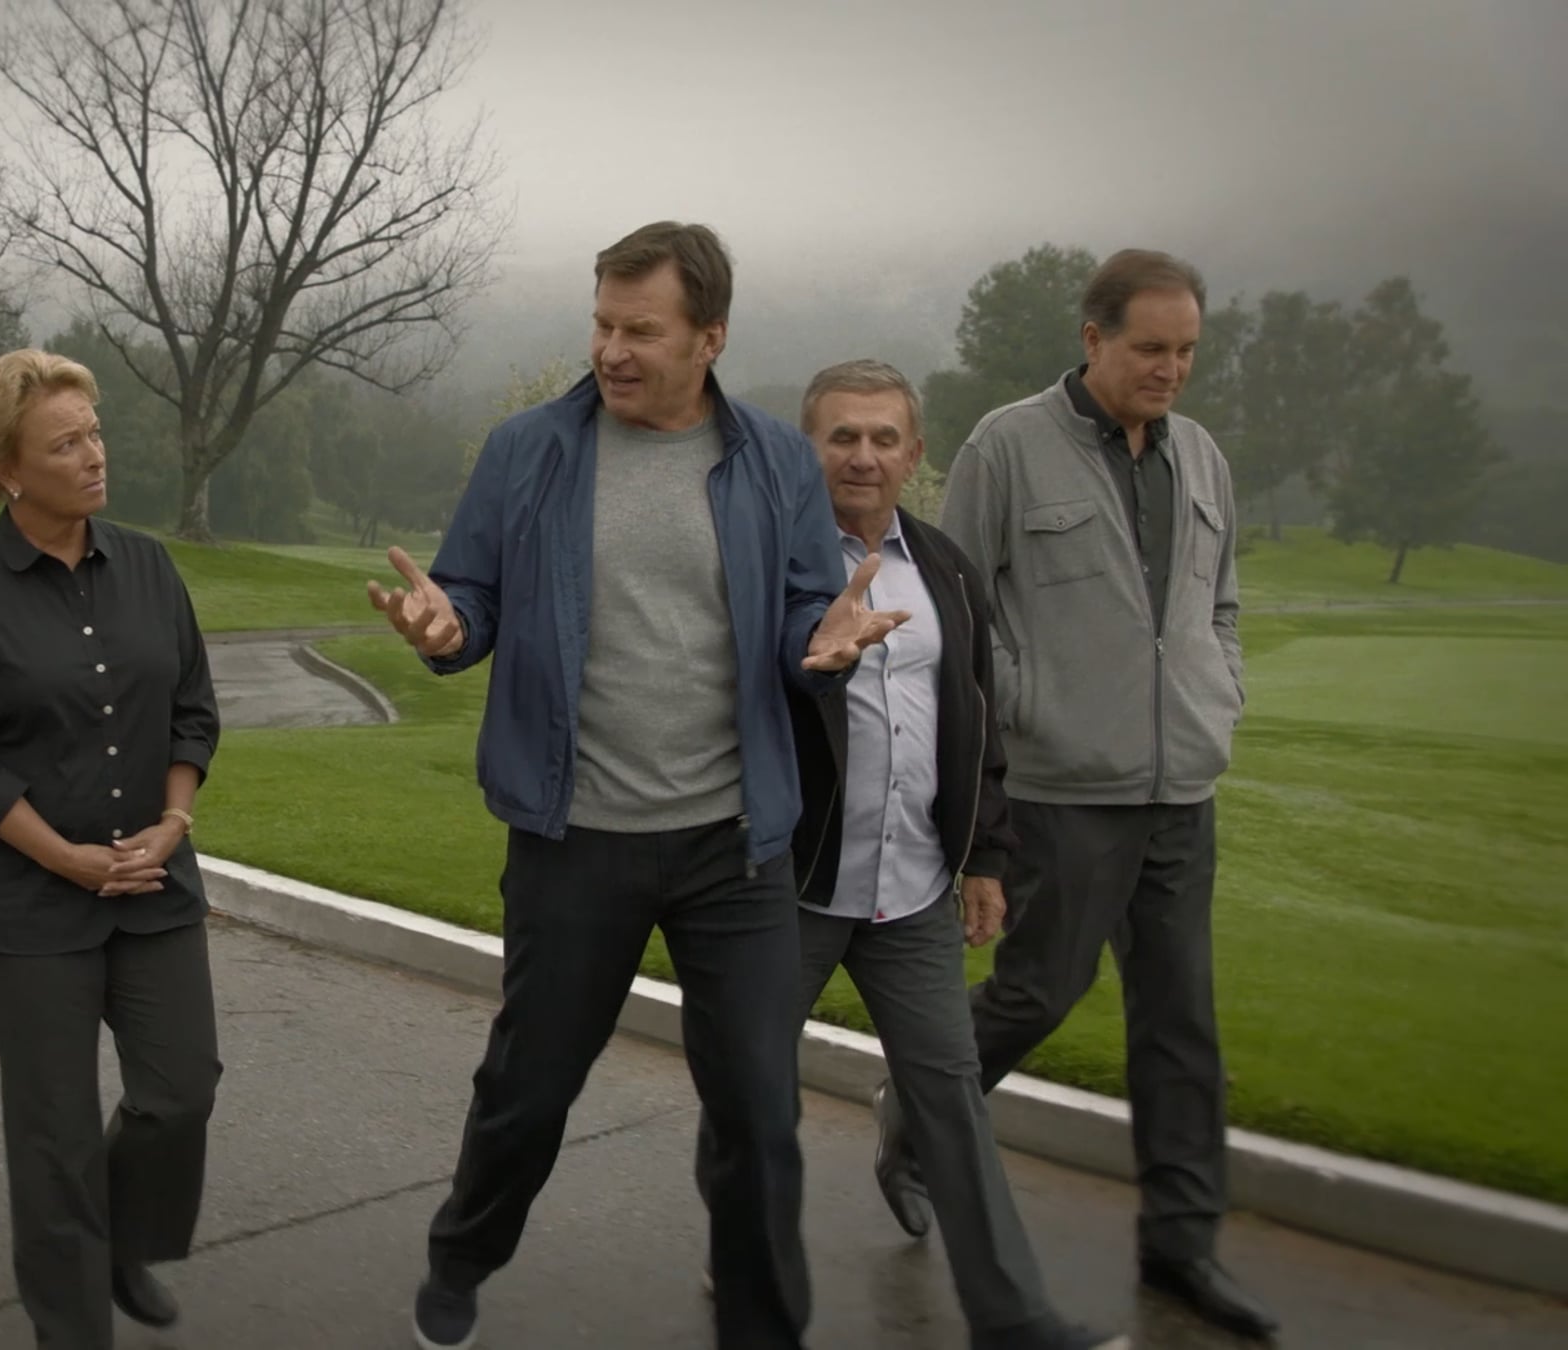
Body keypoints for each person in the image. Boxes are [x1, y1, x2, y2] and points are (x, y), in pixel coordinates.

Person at [374, 221, 905, 1350]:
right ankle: (462, 1257)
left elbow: (805, 606)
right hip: (575, 839)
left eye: (641, 330)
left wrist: (823, 640)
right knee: (528, 1090)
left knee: (759, 1110)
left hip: (734, 844)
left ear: (709, 338)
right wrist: (446, 626)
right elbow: (468, 594)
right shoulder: (528, 451)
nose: (612, 350)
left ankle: (764, 1326)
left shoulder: (774, 460)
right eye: (602, 325)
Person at [695, 360, 1125, 1350]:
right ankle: (744, 1250)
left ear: (914, 453)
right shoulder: (763, 562)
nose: (864, 455)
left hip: (913, 892)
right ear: (805, 450)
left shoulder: (947, 569)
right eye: (842, 436)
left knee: (952, 1101)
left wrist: (985, 858)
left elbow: (975, 722)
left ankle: (1013, 1316)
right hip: (787, 892)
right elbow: (723, 708)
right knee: (750, 1092)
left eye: (884, 438)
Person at [899, 248, 1273, 1340]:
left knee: (1181, 1022)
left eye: (1187, 351)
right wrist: (1022, 718)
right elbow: (956, 607)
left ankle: (1182, 1249)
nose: (1171, 369)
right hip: (1060, 786)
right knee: (1036, 995)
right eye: (1151, 348)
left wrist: (1219, 690)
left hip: (1181, 786)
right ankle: (914, 1124)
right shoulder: (1007, 446)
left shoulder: (1201, 457)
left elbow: (1223, 602)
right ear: (1094, 338)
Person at [0, 348, 222, 1350]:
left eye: (94, 433)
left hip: (154, 880)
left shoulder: (149, 566)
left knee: (180, 1091)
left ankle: (126, 1236)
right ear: (6, 469)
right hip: (26, 901)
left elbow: (192, 708)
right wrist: (69, 859)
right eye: (65, 444)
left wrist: (173, 823)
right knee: (54, 1134)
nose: (94, 456)